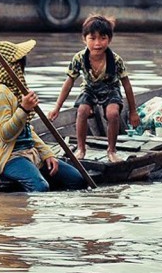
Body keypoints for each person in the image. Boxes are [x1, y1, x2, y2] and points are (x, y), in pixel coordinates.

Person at [0, 39, 86, 192]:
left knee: (77, 180)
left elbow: (27, 130)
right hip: (9, 158)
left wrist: (47, 153)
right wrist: (24, 108)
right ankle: (24, 213)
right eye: (18, 64)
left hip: (30, 154)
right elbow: (5, 134)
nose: (21, 68)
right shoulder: (0, 93)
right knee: (40, 187)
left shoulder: (15, 91)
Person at [47, 14, 140, 162]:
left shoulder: (115, 60)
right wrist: (57, 107)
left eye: (103, 38)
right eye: (92, 38)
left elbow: (127, 85)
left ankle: (112, 150)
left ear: (109, 39)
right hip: (89, 88)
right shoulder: (79, 58)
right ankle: (81, 148)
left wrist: (133, 112)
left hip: (110, 89)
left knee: (113, 113)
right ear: (84, 39)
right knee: (82, 110)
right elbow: (69, 82)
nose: (98, 43)